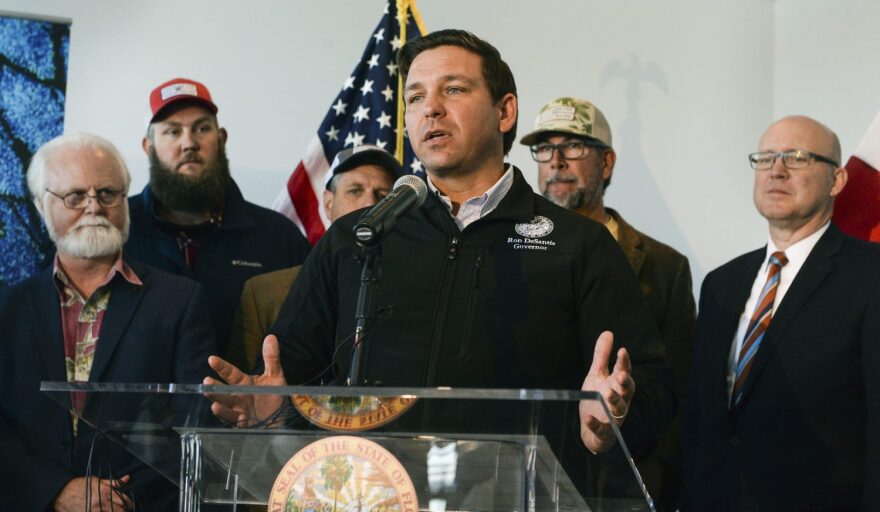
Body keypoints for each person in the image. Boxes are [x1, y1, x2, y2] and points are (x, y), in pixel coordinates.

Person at [207, 30, 674, 496]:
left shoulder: (580, 244)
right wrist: (272, 410)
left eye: (453, 89)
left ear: (505, 111)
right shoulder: (356, 238)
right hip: (372, 496)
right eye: (415, 96)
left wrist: (610, 421)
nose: (430, 108)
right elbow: (289, 375)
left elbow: (652, 388)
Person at [0, 133, 216, 511]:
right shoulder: (8, 308)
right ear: (40, 205)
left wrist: (121, 497)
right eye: (75, 196)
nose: (93, 207)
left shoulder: (181, 301)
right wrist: (54, 490)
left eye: (107, 194)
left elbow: (195, 426)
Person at [681, 115, 880, 510]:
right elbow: (701, 417)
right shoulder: (721, 283)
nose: (777, 170)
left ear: (837, 180)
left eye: (798, 157)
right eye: (766, 158)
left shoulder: (870, 274)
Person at [520, 97, 696, 509]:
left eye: (574, 146)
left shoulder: (664, 266)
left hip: (623, 487)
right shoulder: (514, 254)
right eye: (544, 148)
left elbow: (681, 390)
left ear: (608, 162)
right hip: (530, 480)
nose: (557, 161)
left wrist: (658, 479)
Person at [126, 77, 311, 353]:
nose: (189, 143)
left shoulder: (278, 237)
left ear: (221, 139)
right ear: (148, 146)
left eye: (201, 128)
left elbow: (312, 334)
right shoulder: (118, 231)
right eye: (172, 132)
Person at [226, 144, 403, 371]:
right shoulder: (264, 294)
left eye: (382, 195)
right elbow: (244, 389)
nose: (370, 203)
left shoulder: (414, 290)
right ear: (328, 204)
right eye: (355, 190)